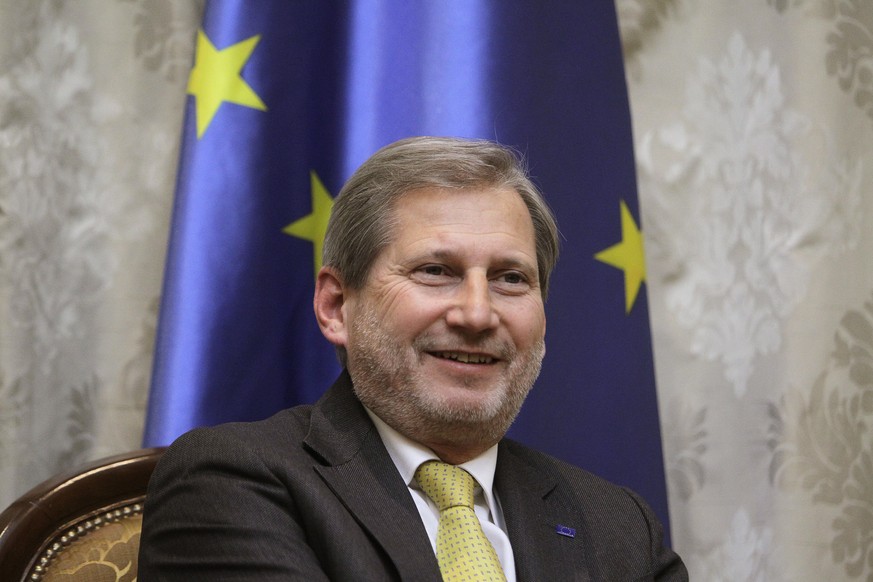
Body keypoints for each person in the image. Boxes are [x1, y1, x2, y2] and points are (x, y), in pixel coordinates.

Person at [138, 136, 687, 581]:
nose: (477, 314)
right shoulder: (233, 482)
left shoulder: (619, 528)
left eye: (510, 278)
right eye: (435, 271)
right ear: (336, 307)